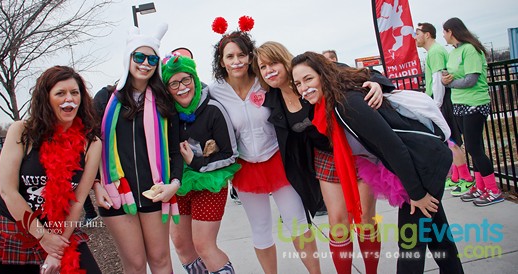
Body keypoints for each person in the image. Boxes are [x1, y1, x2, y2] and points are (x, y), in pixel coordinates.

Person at [291, 51, 464, 274]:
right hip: (419, 162)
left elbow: (392, 146)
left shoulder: (346, 104)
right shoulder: (334, 101)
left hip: (424, 163)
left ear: (323, 75)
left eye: (308, 79)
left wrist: (416, 193)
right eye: (298, 83)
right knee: (437, 233)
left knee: (411, 243)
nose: (304, 87)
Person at [254, 41, 389, 274]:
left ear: (284, 60)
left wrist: (377, 85)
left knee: (365, 218)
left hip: (358, 153)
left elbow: (366, 74)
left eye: (273, 62)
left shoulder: (310, 70)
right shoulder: (272, 100)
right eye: (263, 67)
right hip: (326, 156)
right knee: (337, 222)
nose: (269, 71)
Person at [208, 30, 321, 274]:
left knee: (298, 223)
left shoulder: (265, 80)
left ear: (250, 57)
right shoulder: (215, 91)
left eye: (241, 54)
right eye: (229, 56)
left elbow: (306, 75)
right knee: (260, 229)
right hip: (245, 166)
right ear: (221, 61)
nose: (236, 61)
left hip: (278, 160)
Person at [0, 66, 102, 273]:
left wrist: (55, 251)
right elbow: (8, 191)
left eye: (74, 92)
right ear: (46, 99)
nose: (68, 99)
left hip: (59, 228)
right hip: (13, 231)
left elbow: (78, 200)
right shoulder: (22, 131)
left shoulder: (91, 143)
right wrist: (43, 236)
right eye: (60, 93)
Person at [92, 24, 183, 274]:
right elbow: (88, 146)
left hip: (155, 190)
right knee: (133, 263)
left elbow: (174, 151)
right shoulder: (106, 99)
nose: (145, 63)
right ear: (128, 58)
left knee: (161, 258)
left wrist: (174, 184)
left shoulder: (164, 101)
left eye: (152, 58)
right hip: (116, 193)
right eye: (139, 57)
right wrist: (96, 183)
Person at [162, 55, 240, 273]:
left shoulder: (213, 109)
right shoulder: (167, 115)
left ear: (194, 79)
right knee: (181, 245)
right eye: (174, 83)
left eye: (186, 80)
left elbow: (230, 154)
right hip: (178, 183)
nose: (181, 88)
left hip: (208, 181)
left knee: (204, 245)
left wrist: (196, 161)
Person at [441, 17, 504, 206]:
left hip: (475, 103)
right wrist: (446, 77)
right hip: (459, 103)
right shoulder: (454, 52)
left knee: (475, 147)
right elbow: (453, 74)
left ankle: (493, 190)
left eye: (444, 31)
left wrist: (450, 83)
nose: (443, 35)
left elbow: (471, 80)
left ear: (451, 31)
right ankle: (481, 185)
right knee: (472, 147)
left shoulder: (470, 50)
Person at [414, 22, 474, 196]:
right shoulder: (434, 52)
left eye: (417, 34)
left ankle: (465, 179)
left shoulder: (435, 52)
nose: (415, 38)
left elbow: (439, 79)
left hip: (442, 101)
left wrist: (436, 105)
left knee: (453, 141)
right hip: (440, 101)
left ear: (427, 35)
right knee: (449, 142)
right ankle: (456, 177)